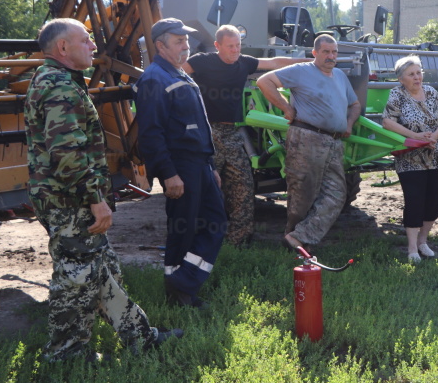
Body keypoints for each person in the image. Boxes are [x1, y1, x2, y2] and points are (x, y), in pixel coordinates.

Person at [24, 18, 182, 362]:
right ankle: (67, 354)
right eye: (85, 40)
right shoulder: (58, 86)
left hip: (71, 197)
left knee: (103, 270)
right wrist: (96, 201)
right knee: (77, 276)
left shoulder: (61, 80)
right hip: (70, 200)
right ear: (63, 48)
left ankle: (140, 336)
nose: (94, 46)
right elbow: (67, 156)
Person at [182, 25, 310, 246]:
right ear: (217, 46)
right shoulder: (203, 61)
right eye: (230, 46)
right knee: (204, 188)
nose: (235, 50)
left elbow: (274, 63)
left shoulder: (244, 62)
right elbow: (176, 73)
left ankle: (239, 242)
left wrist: (306, 63)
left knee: (243, 184)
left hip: (231, 134)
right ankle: (195, 242)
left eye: (238, 45)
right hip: (206, 133)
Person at [133, 18, 226, 309]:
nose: (186, 46)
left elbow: (196, 125)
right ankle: (179, 294)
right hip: (180, 167)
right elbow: (150, 135)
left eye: (186, 41)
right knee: (183, 229)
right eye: (178, 41)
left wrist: (210, 165)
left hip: (199, 165)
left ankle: (184, 281)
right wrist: (168, 174)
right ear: (160, 45)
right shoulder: (153, 78)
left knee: (215, 222)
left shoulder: (179, 74)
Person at [256, 34, 360, 249]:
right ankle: (296, 242)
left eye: (334, 52)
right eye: (326, 52)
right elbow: (264, 81)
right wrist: (286, 108)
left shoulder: (340, 75)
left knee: (337, 194)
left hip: (334, 142)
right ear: (315, 53)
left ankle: (299, 237)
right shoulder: (302, 70)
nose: (331, 56)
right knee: (303, 195)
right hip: (307, 138)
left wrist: (349, 124)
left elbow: (355, 105)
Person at [382, 56, 438, 263]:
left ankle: (423, 241)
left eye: (419, 72)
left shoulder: (431, 92)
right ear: (401, 78)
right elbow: (387, 122)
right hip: (411, 156)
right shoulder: (397, 94)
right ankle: (412, 248)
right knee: (414, 201)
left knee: (435, 202)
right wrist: (415, 136)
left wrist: (434, 136)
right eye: (411, 74)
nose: (417, 77)